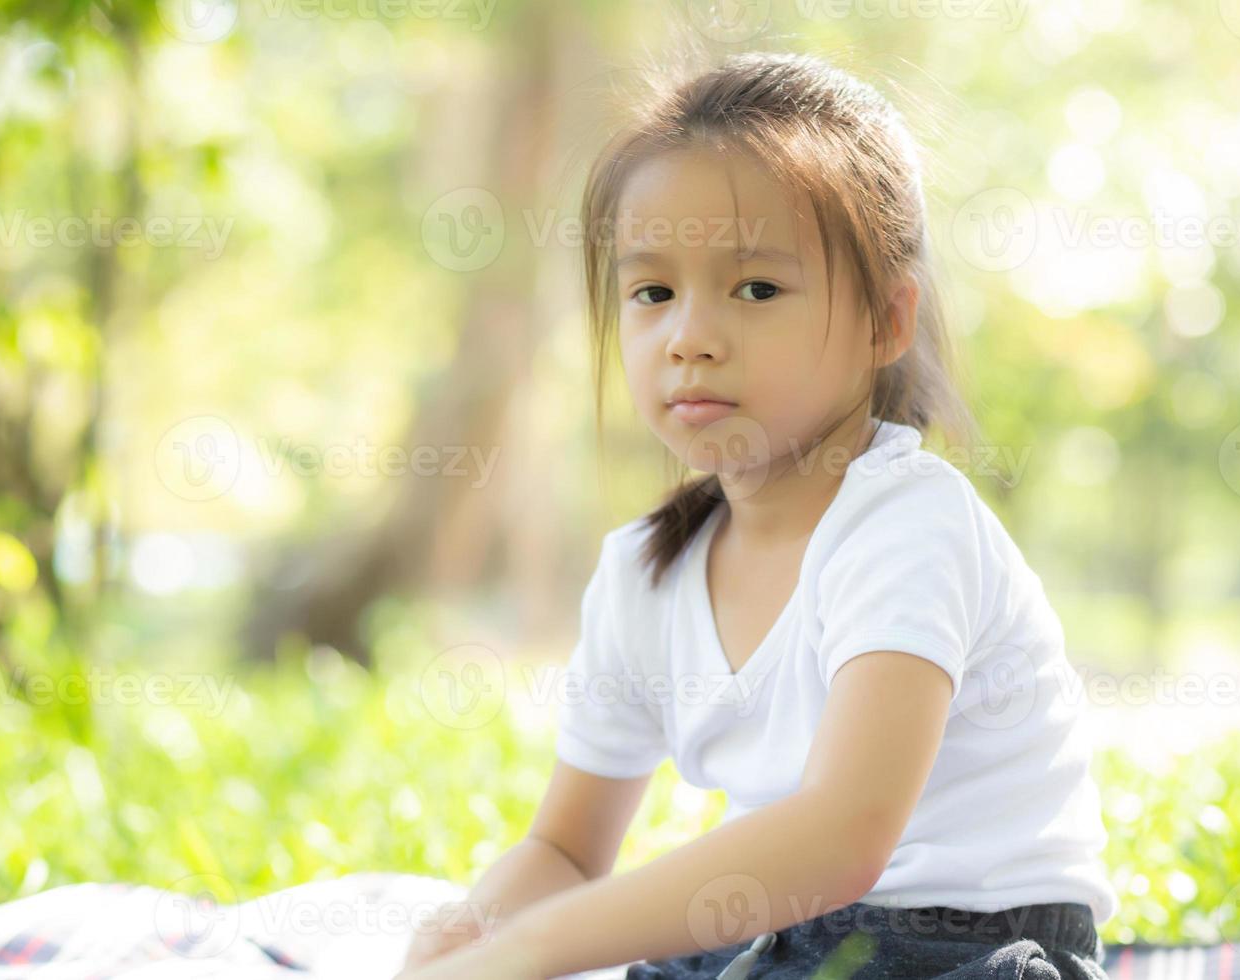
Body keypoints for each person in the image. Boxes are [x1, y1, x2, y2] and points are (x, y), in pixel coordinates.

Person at [396, 49, 1117, 980]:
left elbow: (840, 835)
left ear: (885, 323)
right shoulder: (644, 573)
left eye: (756, 288)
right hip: (765, 940)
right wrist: (472, 934)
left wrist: (538, 947)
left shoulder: (907, 524)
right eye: (652, 291)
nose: (690, 337)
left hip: (964, 944)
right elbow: (569, 853)